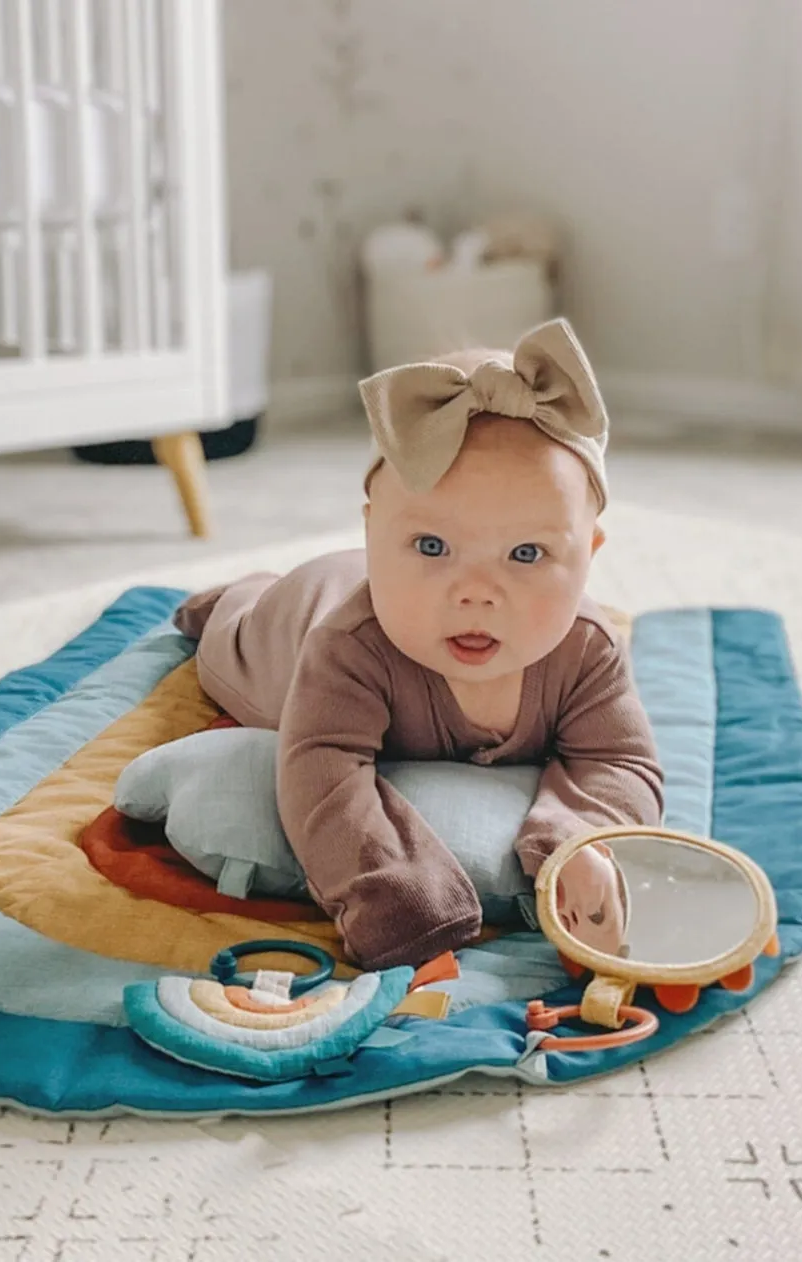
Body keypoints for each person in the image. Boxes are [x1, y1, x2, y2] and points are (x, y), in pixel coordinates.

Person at [173, 318, 663, 968]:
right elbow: (322, 781)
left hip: (363, 586)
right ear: (374, 533)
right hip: (293, 621)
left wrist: (578, 843)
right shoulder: (347, 649)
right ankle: (231, 597)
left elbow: (622, 763)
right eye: (432, 546)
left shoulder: (587, 649)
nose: (476, 592)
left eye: (525, 552)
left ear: (589, 555)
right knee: (236, 628)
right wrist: (397, 896)